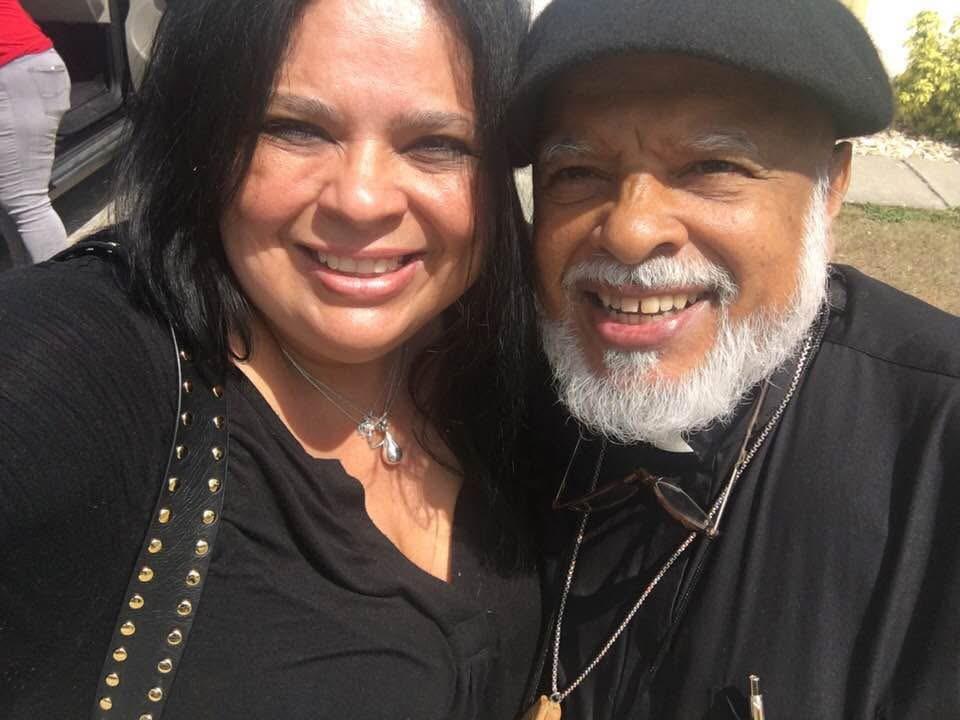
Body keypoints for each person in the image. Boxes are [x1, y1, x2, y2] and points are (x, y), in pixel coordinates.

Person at [0, 0, 540, 718]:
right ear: (205, 132)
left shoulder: (511, 362)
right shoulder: (96, 365)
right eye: (295, 129)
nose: (362, 199)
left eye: (437, 143)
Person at [508, 0, 960, 718]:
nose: (628, 231)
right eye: (575, 171)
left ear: (830, 186)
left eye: (710, 166)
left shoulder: (937, 451)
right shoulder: (495, 397)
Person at [0, 0, 71, 264]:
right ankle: (28, 284)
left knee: (27, 203)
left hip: (14, 75)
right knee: (11, 203)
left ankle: (60, 294)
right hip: (31, 69)